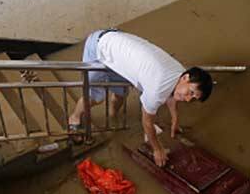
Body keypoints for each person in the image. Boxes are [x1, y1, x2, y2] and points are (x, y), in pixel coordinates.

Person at [67, 29, 213, 167]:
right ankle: (74, 118)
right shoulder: (158, 88)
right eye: (191, 93)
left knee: (120, 93)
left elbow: (172, 94)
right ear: (186, 78)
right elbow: (147, 122)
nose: (188, 99)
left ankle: (113, 117)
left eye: (193, 98)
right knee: (95, 97)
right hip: (99, 48)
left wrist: (174, 118)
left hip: (119, 54)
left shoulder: (180, 72)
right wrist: (157, 149)